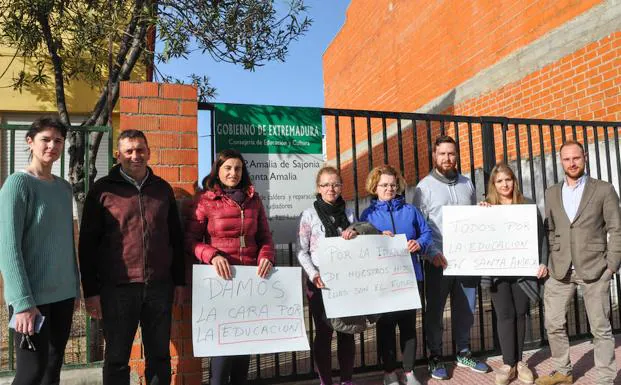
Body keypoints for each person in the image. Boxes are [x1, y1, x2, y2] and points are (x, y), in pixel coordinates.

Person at [78, 129, 185, 385]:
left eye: (140, 150)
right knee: (116, 359)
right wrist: (91, 291)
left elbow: (176, 239)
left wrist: (180, 282)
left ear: (148, 152)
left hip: (159, 287)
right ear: (118, 155)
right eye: (129, 151)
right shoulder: (102, 190)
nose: (135, 155)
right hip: (117, 290)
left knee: (160, 356)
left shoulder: (162, 189)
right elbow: (87, 245)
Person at [0, 117, 79, 385]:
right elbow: (8, 248)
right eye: (46, 139)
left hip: (63, 297)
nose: (52, 145)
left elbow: (66, 242)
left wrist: (74, 288)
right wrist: (21, 303)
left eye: (58, 141)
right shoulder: (17, 184)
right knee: (30, 372)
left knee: (52, 369)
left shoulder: (63, 188)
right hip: (32, 300)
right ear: (30, 141)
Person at [185, 149, 275, 385]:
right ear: (218, 171)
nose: (233, 173)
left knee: (243, 347)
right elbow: (190, 240)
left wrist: (266, 255)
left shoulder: (254, 199)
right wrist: (212, 255)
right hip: (220, 283)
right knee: (222, 350)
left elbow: (265, 236)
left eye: (237, 168)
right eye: (228, 168)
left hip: (250, 282)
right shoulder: (205, 200)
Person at [536, 141, 620, 385]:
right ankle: (563, 371)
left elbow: (616, 228)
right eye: (566, 159)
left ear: (584, 157)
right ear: (561, 161)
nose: (572, 163)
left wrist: (612, 264)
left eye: (576, 158)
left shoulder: (603, 189)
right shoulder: (551, 192)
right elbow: (550, 229)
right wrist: (551, 258)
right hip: (559, 269)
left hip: (595, 268)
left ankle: (605, 379)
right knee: (552, 323)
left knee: (601, 329)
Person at [412, 135, 490, 380]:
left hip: (466, 260)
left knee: (466, 308)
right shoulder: (423, 187)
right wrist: (431, 253)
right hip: (438, 261)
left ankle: (463, 351)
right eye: (442, 153)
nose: (447, 158)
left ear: (457, 156)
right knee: (435, 311)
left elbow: (473, 220)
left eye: (451, 153)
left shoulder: (468, 184)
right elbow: (419, 226)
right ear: (434, 156)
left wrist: (483, 211)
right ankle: (435, 356)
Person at [360, 165, 432, 385]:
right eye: (384, 185)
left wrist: (418, 243)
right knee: (386, 328)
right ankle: (389, 372)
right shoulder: (369, 214)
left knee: (409, 327)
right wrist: (378, 236)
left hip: (410, 278)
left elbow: (426, 233)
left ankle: (409, 372)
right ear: (375, 187)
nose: (389, 188)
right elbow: (362, 244)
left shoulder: (410, 211)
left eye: (393, 184)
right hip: (383, 281)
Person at [478, 163, 548, 385]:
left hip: (522, 270)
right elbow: (477, 235)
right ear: (493, 184)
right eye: (499, 181)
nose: (504, 184)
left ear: (514, 181)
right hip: (498, 271)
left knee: (520, 313)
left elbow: (541, 238)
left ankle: (520, 362)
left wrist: (543, 262)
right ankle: (508, 363)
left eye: (508, 179)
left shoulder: (527, 205)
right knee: (504, 315)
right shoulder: (487, 207)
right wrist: (479, 214)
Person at [297, 166, 358, 385]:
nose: (331, 189)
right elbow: (302, 251)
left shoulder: (349, 212)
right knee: (324, 333)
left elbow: (357, 244)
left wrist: (355, 234)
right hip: (320, 283)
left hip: (345, 282)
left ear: (341, 186)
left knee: (347, 332)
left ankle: (346, 381)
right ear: (318, 188)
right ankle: (326, 381)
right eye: (326, 185)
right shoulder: (309, 215)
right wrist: (313, 275)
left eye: (335, 184)